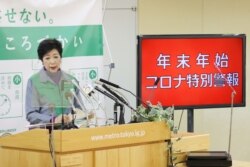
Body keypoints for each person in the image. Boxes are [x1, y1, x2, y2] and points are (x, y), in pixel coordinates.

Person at [25, 38, 84, 128]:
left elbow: (80, 109)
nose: (52, 61)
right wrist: (53, 120)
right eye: (47, 58)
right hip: (44, 133)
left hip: (69, 132)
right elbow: (31, 114)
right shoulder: (34, 81)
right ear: (42, 61)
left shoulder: (71, 80)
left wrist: (73, 116)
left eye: (55, 56)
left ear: (60, 58)